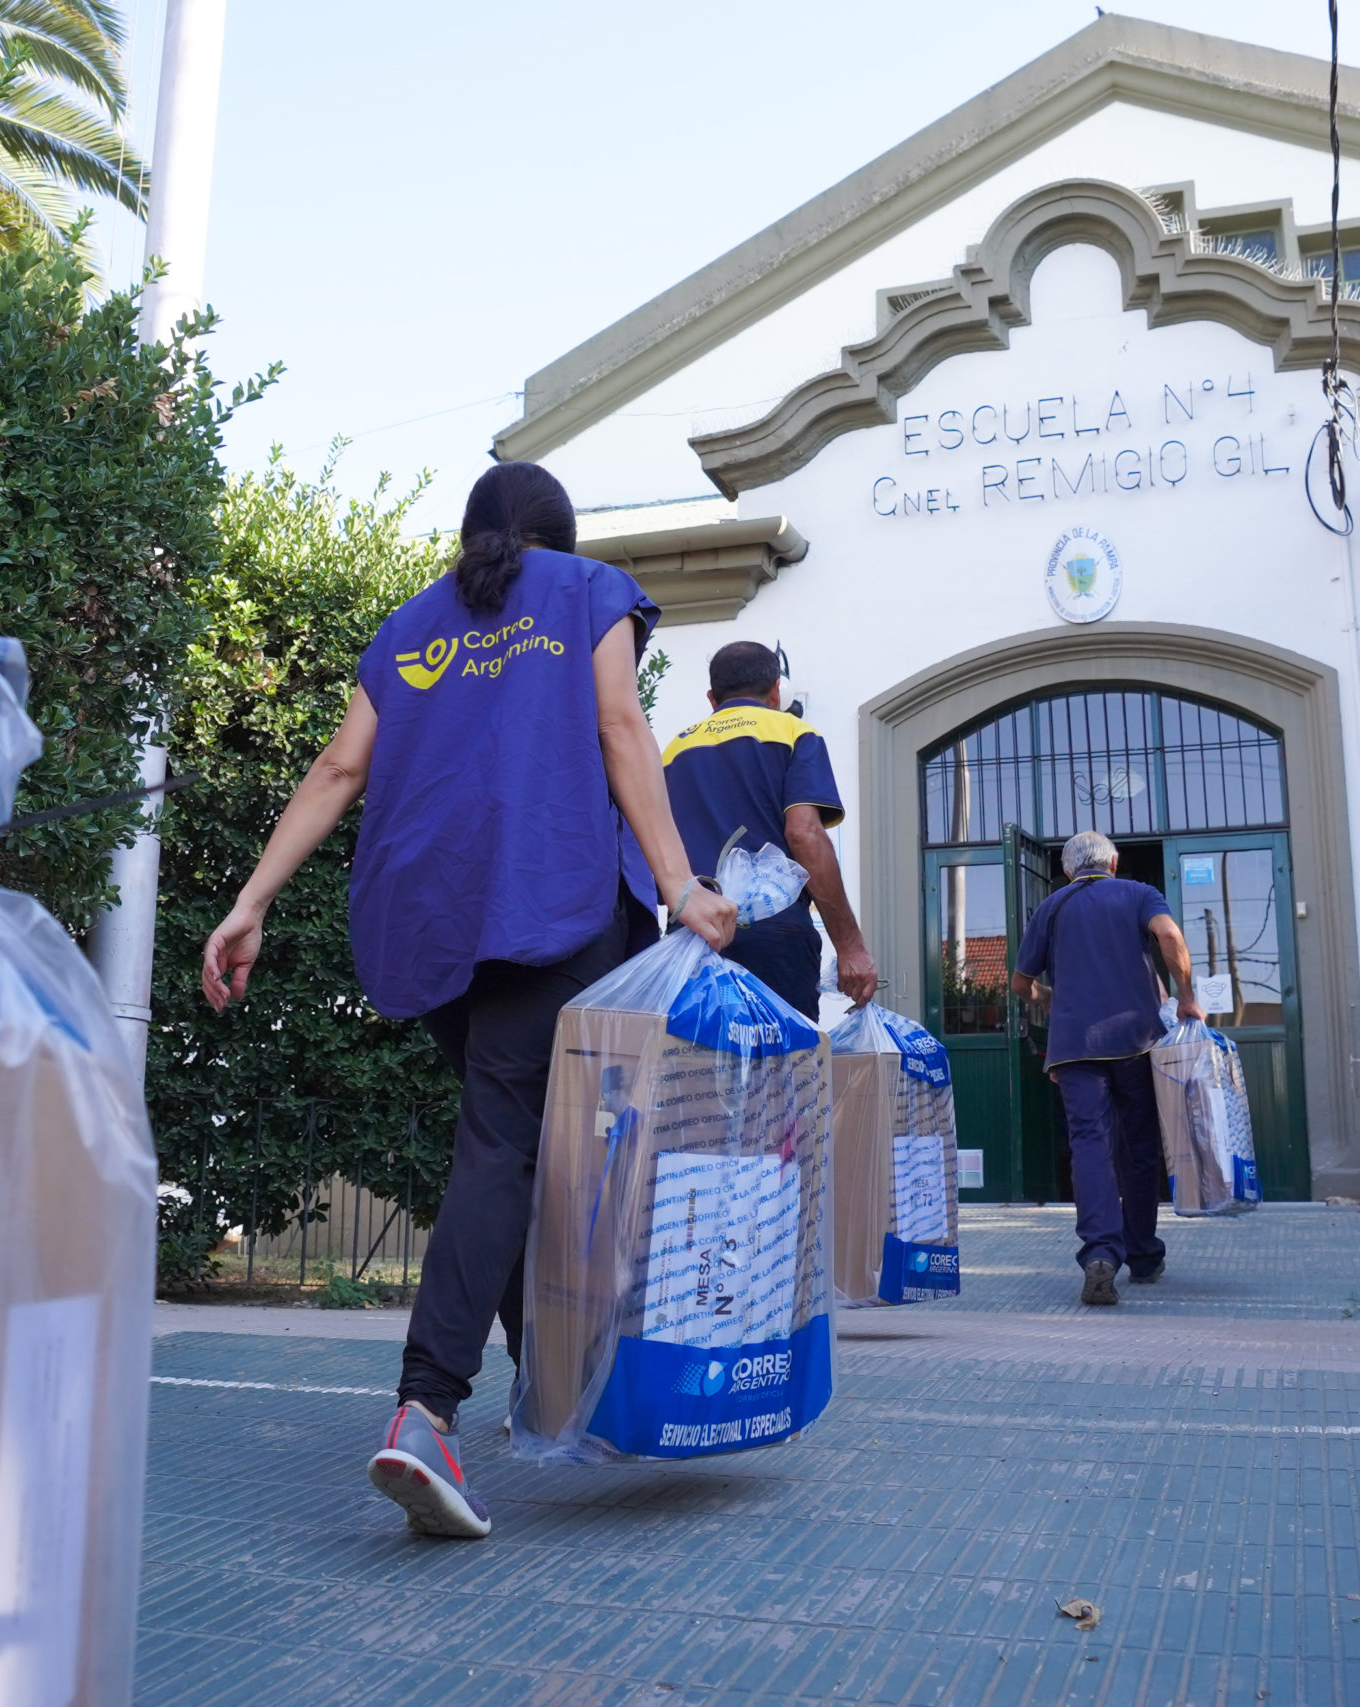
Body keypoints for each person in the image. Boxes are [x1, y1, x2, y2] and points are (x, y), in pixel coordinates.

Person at [201, 462, 738, 1541]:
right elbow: (620, 726)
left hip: (429, 914)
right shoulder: (586, 591)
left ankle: (547, 1380)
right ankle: (428, 1409)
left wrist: (250, 900)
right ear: (558, 531)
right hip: (546, 895)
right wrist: (680, 883)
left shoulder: (408, 626)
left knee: (515, 1139)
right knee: (506, 1144)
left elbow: (338, 770)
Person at [1009, 830, 1203, 1306]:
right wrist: (1186, 997)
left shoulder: (1051, 907)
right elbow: (1169, 935)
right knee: (1139, 1149)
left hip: (1074, 1049)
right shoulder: (1140, 894)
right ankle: (1142, 1254)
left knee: (1089, 1148)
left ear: (1070, 870)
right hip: (1137, 1043)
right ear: (1113, 864)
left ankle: (1100, 1254)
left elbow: (1020, 983)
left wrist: (1050, 1000)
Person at [660, 641, 877, 1015]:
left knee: (696, 1065)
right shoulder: (794, 733)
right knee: (785, 1066)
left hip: (694, 932)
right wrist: (850, 945)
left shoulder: (673, 752)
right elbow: (805, 833)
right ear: (776, 690)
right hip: (774, 932)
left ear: (712, 698)